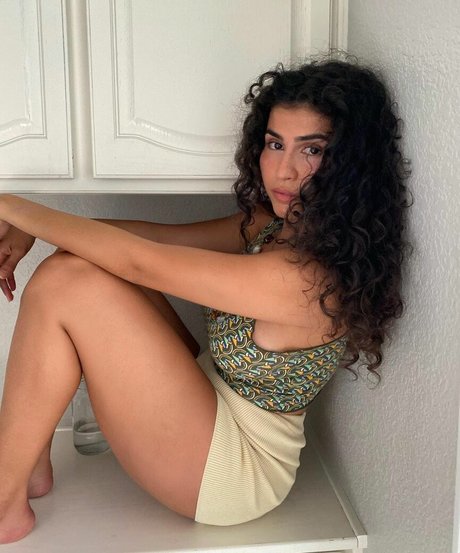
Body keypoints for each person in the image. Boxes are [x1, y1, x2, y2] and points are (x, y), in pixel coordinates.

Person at [0, 56, 410, 543]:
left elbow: (142, 262)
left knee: (65, 281)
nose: (284, 169)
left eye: (313, 149)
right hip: (211, 398)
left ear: (352, 164)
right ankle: (28, 465)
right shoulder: (274, 225)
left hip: (237, 474)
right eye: (275, 143)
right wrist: (32, 227)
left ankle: (4, 504)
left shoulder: (311, 280)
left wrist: (11, 206)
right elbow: (154, 242)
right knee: (80, 260)